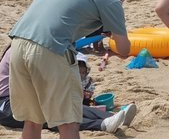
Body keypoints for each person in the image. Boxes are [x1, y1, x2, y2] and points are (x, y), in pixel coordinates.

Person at [8, 0, 139, 138]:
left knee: (32, 121)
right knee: (68, 123)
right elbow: (123, 49)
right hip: (51, 50)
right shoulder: (112, 1)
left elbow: (69, 14)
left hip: (18, 44)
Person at [0, 47, 137, 133]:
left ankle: (112, 117)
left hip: (22, 97)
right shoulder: (24, 51)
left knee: (65, 105)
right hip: (6, 105)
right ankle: (101, 124)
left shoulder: (29, 47)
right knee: (49, 116)